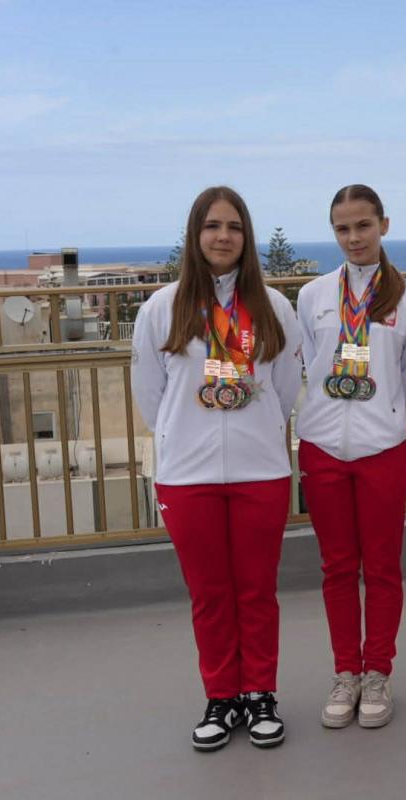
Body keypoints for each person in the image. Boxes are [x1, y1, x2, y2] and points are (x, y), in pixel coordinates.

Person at [130, 186, 304, 750]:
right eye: (212, 226)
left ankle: (260, 694)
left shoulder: (274, 307)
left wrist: (253, 431)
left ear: (246, 237)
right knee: (209, 594)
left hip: (261, 472)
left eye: (233, 226)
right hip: (187, 476)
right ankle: (222, 696)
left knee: (256, 591)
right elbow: (150, 396)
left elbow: (285, 389)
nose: (223, 236)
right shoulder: (162, 308)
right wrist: (185, 435)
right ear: (195, 235)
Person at [295, 184, 406, 729]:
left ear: (384, 225)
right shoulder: (313, 296)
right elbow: (310, 363)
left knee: (382, 568)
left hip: (382, 449)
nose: (354, 238)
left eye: (363, 226)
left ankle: (377, 671)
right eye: (343, 228)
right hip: (323, 445)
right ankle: (345, 672)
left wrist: (394, 422)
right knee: (336, 567)